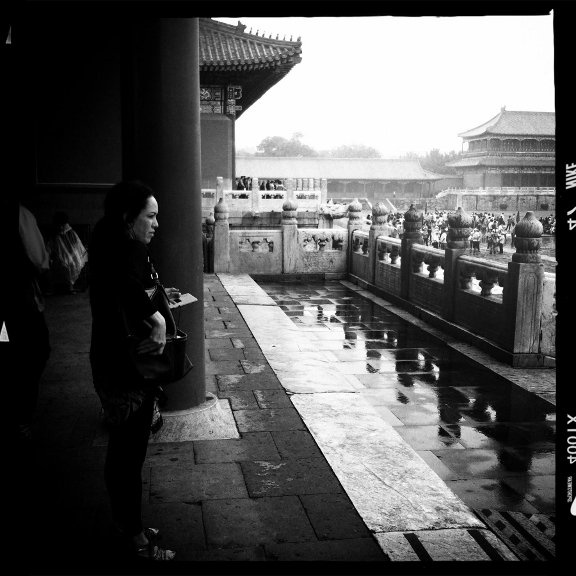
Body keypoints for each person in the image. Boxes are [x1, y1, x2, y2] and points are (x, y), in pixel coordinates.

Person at [88, 180, 178, 561]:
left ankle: (127, 524)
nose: (156, 224)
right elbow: (131, 288)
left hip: (110, 360)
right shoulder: (129, 249)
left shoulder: (106, 244)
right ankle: (136, 539)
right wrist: (158, 319)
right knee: (129, 454)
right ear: (130, 217)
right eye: (151, 216)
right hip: (129, 367)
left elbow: (126, 293)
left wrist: (157, 304)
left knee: (123, 450)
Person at [2, 201, 51, 444]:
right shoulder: (18, 214)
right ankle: (20, 418)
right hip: (19, 302)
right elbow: (39, 259)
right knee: (33, 352)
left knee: (6, 348)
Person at [46, 211, 87, 294]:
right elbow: (50, 249)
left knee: (67, 263)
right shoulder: (55, 235)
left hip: (71, 259)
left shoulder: (70, 233)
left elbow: (78, 247)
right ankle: (67, 286)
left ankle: (69, 286)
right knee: (64, 264)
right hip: (63, 261)